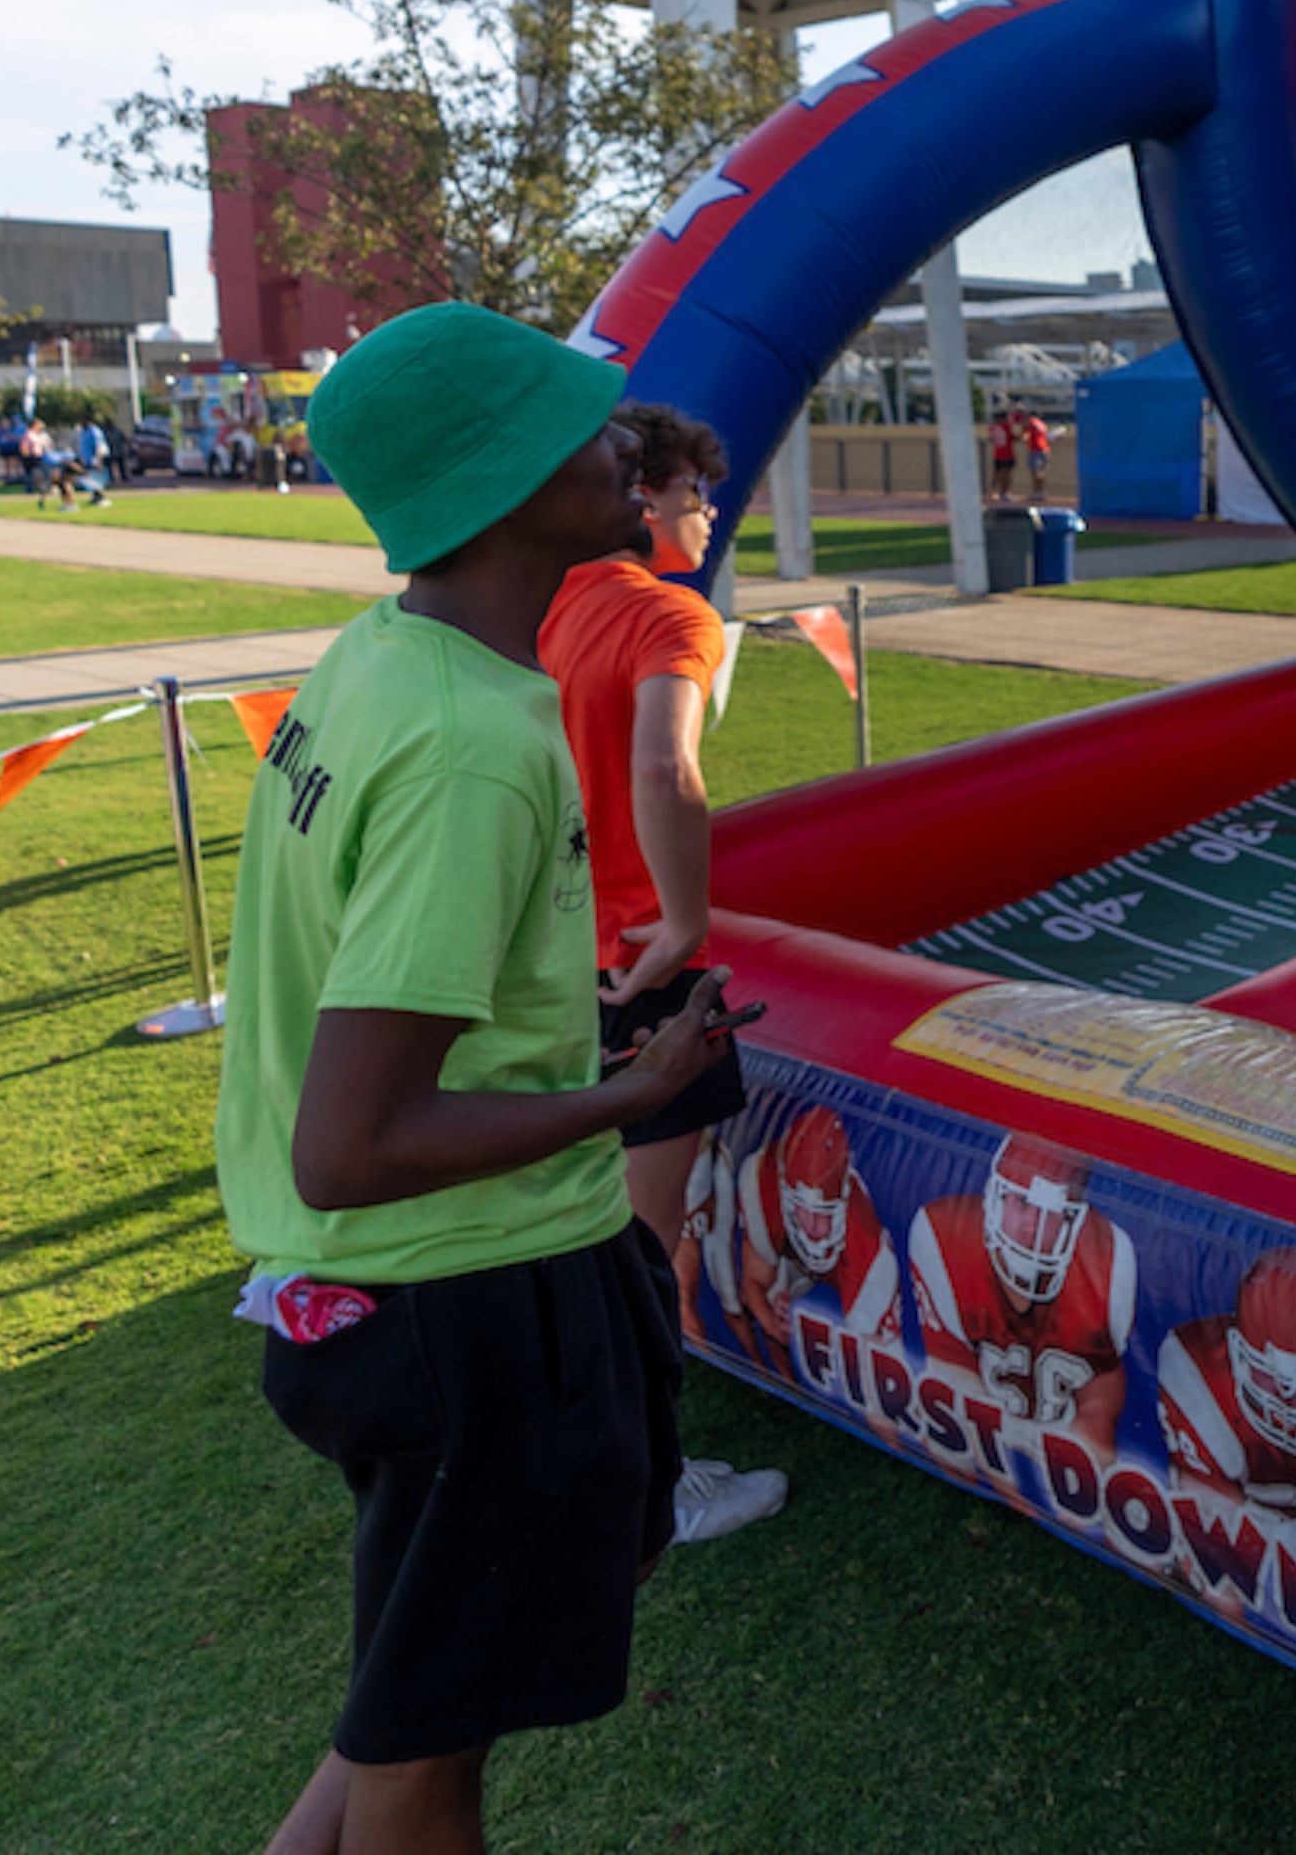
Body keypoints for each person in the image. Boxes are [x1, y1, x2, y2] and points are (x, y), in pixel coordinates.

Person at [217, 300, 736, 1855]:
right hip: (466, 1295)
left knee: (430, 1679)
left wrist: (565, 1043)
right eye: (584, 430)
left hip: (424, 1288)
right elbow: (355, 1142)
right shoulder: (467, 743)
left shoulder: (388, 656)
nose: (623, 446)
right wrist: (632, 1100)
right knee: (432, 1754)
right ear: (504, 484)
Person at [535, 398, 786, 1548]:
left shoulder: (534, 610)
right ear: (644, 499)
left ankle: (579, 1437)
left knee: (572, 1228)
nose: (706, 515)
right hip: (634, 972)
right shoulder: (667, 617)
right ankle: (661, 1479)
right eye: (696, 496)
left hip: (541, 969)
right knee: (647, 1246)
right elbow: (663, 763)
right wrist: (683, 921)